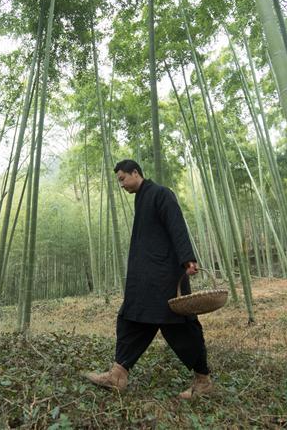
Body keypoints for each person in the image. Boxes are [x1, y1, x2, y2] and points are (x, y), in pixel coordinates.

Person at [84, 159, 213, 400]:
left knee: (179, 326)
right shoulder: (141, 198)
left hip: (163, 276)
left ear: (136, 173)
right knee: (132, 318)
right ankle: (118, 374)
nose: (121, 184)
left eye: (122, 178)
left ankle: (203, 380)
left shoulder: (161, 194)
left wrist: (188, 259)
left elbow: (176, 225)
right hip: (145, 276)